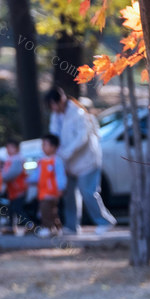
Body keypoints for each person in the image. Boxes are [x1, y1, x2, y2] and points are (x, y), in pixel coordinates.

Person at [45, 86, 116, 234]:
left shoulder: (79, 113)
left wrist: (65, 153)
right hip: (67, 163)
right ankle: (71, 226)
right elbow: (54, 135)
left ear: (61, 100)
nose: (53, 107)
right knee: (69, 194)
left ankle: (104, 221)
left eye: (53, 104)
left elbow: (81, 139)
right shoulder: (55, 116)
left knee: (88, 192)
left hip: (86, 161)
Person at [30, 134, 67, 237]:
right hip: (42, 192)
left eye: (45, 144)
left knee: (45, 209)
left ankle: (47, 228)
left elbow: (60, 176)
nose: (43, 147)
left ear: (53, 147)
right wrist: (29, 180)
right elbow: (37, 174)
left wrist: (61, 187)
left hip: (52, 192)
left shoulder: (56, 161)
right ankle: (58, 227)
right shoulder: (41, 161)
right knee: (52, 211)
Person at [1, 139, 28, 233]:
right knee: (11, 209)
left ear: (16, 148)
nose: (8, 150)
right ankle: (10, 226)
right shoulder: (10, 159)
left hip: (19, 188)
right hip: (12, 189)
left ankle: (28, 224)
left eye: (11, 147)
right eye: (7, 147)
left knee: (17, 208)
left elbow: (12, 173)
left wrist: (1, 178)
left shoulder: (17, 159)